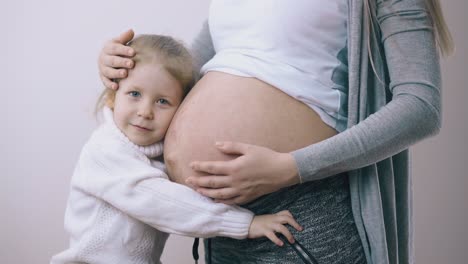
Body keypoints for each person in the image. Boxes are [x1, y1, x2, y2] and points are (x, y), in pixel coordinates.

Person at [97, 0, 453, 263]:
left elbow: (421, 108)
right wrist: (126, 66)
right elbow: (182, 76)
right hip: (227, 225)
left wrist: (291, 167)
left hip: (299, 213)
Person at [51, 34, 303, 264]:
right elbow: (161, 203)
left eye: (162, 101)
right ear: (112, 96)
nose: (145, 111)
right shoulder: (105, 152)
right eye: (135, 94)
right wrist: (245, 223)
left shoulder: (151, 151)